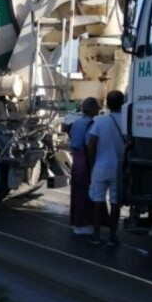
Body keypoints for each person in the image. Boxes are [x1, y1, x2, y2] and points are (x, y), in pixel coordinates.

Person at [86, 90, 126, 246]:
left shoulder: (100, 121)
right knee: (115, 202)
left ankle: (96, 235)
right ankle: (112, 236)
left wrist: (92, 163)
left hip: (100, 167)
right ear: (123, 103)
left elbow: (91, 144)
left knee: (97, 200)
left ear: (107, 104)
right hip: (119, 169)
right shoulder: (127, 121)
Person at [68, 97, 100, 236]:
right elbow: (90, 144)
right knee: (85, 192)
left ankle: (76, 222)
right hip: (85, 158)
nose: (99, 109)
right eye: (97, 107)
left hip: (76, 158)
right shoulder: (91, 124)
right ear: (92, 109)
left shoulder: (77, 122)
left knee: (76, 191)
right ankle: (84, 224)